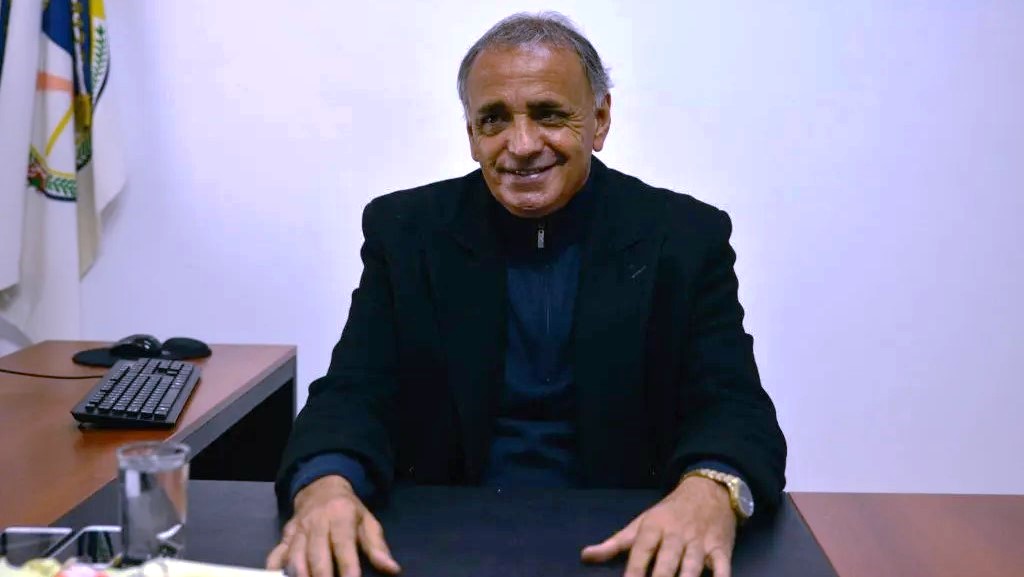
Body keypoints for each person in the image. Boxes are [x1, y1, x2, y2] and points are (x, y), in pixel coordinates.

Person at [267, 12, 786, 577]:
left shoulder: (684, 238)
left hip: (630, 543)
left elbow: (732, 405)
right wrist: (325, 488)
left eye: (549, 115)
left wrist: (709, 493)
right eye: (494, 119)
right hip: (440, 544)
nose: (521, 145)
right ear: (472, 136)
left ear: (600, 120)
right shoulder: (407, 232)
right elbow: (354, 392)